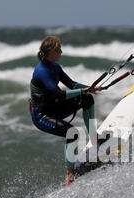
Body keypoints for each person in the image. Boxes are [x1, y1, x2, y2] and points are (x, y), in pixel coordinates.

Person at [29, 36, 101, 186]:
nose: (61, 51)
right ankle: (70, 174)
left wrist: (90, 88)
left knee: (87, 98)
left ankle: (94, 138)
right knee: (72, 133)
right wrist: (84, 89)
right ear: (50, 52)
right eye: (58, 49)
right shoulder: (42, 71)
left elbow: (72, 84)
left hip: (55, 108)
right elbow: (59, 94)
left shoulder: (55, 67)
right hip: (42, 116)